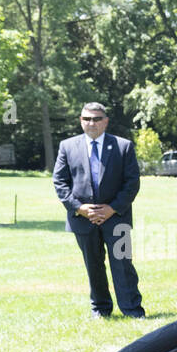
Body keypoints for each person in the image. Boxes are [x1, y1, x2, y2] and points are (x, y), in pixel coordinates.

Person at [52, 102, 144, 318]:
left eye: (96, 119)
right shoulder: (67, 146)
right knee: (93, 266)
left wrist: (111, 209)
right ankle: (101, 310)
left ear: (105, 121)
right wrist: (80, 208)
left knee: (123, 265)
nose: (91, 123)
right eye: (86, 119)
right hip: (83, 219)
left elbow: (132, 183)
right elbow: (60, 182)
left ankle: (132, 310)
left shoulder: (123, 146)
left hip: (117, 218)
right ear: (80, 121)